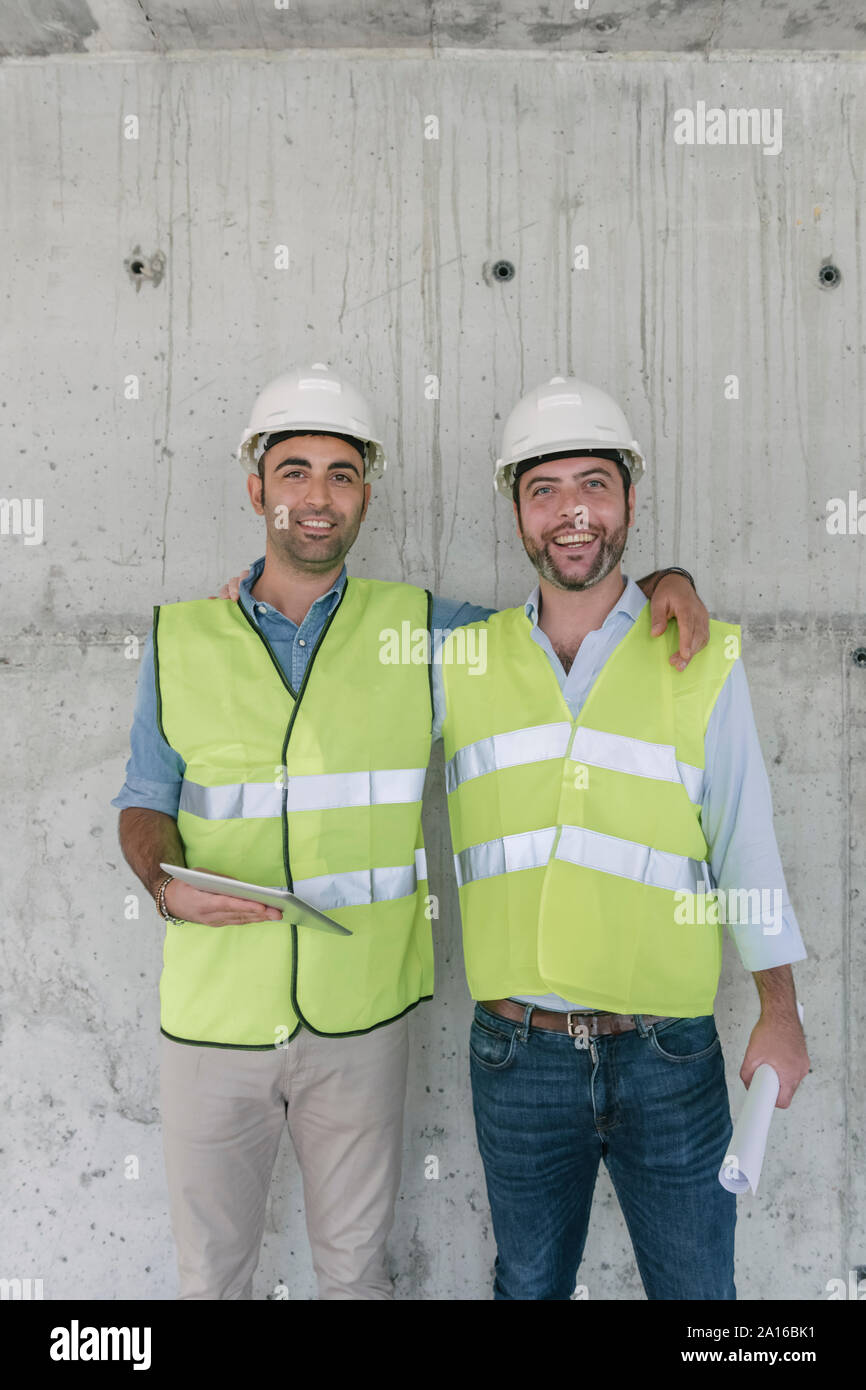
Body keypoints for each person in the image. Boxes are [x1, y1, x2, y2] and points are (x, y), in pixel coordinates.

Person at [115, 362, 707, 1300]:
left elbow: (563, 611)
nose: (318, 496)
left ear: (365, 494)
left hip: (360, 1019)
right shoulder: (180, 635)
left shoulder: (422, 632)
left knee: (357, 1274)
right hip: (209, 1020)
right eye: (296, 471)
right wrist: (161, 882)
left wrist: (669, 576)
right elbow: (143, 801)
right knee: (209, 1275)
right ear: (255, 486)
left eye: (341, 475)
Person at [435, 375, 810, 1300]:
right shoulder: (458, 660)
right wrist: (263, 600)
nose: (573, 514)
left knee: (698, 1298)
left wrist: (780, 1007)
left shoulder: (699, 656)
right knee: (527, 1287)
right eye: (545, 491)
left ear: (631, 501)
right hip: (516, 1055)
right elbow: (341, 654)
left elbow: (744, 841)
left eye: (595, 486)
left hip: (668, 1054)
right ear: (518, 515)